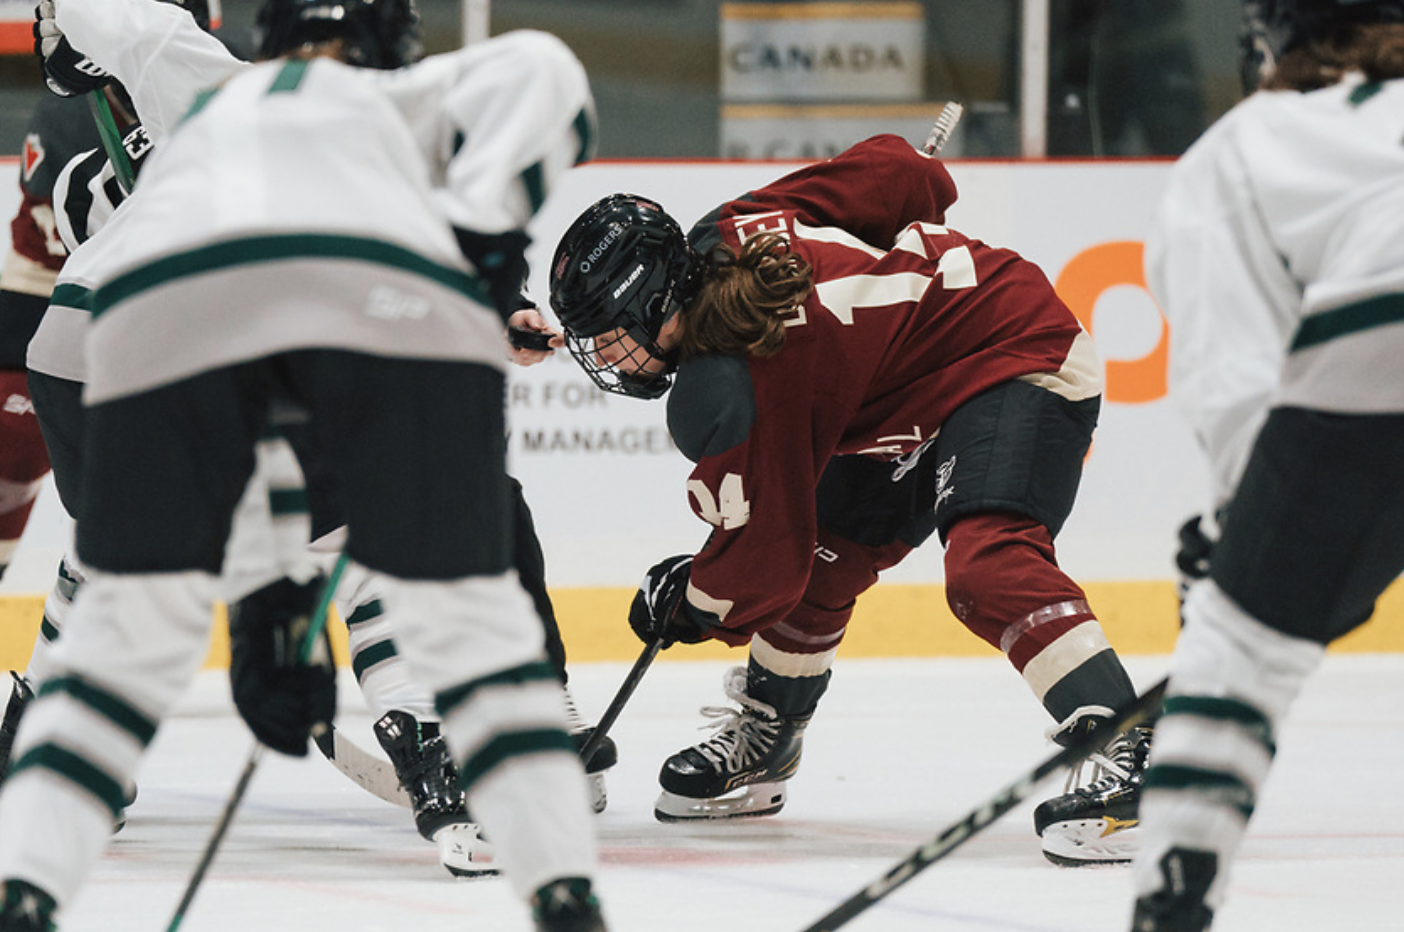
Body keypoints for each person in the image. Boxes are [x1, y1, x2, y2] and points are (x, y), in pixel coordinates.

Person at [0, 0, 607, 929]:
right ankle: (431, 744)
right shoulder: (398, 112)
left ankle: (44, 759)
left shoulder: (202, 85)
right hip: (216, 340)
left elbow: (122, 20)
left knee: (124, 563)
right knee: (357, 531)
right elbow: (536, 86)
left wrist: (58, 38)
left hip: (78, 349)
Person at [542, 133, 1151, 864]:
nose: (608, 358)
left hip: (1014, 355)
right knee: (829, 553)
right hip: (911, 395)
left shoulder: (735, 382)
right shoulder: (728, 229)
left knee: (987, 565)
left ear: (656, 305)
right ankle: (769, 740)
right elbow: (900, 171)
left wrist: (692, 602)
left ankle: (1134, 750)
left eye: (611, 336)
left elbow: (762, 565)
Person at [1127, 1, 1404, 929]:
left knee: (1238, 648)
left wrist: (1243, 546)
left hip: (1382, 338)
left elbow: (1234, 382)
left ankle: (1175, 890)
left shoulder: (1242, 150)